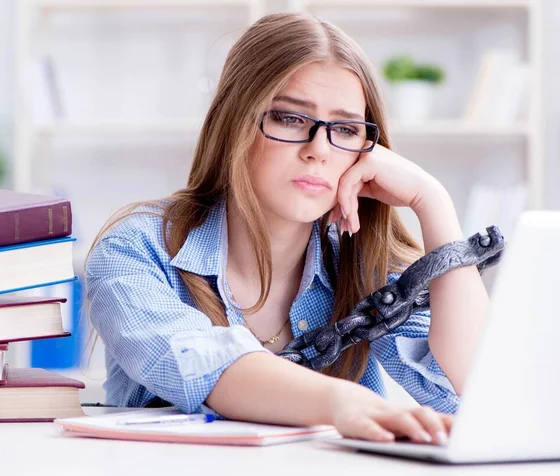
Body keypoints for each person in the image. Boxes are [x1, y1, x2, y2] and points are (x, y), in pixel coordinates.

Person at [85, 12, 489, 445]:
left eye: (346, 129)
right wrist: (343, 403)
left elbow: (477, 387)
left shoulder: (365, 264)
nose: (319, 150)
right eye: (291, 119)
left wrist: (432, 201)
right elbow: (201, 365)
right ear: (235, 122)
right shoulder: (135, 249)